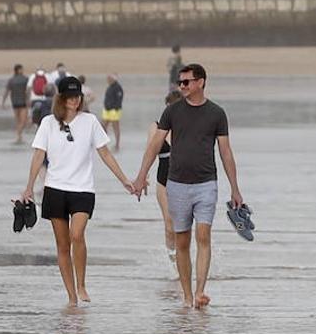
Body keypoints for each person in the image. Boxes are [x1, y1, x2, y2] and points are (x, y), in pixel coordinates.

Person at [132, 63, 245, 310]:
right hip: (177, 185)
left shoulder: (216, 113)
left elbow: (226, 152)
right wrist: (141, 176)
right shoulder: (172, 112)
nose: (181, 86)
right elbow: (154, 146)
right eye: (180, 82)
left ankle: (200, 291)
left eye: (186, 82)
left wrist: (235, 189)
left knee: (203, 236)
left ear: (201, 82)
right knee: (182, 241)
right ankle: (186, 296)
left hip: (207, 183)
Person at [20, 76, 135, 306]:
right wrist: (29, 187)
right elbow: (38, 155)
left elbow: (105, 153)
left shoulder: (90, 121)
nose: (75, 100)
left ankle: (81, 284)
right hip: (55, 189)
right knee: (63, 246)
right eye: (70, 96)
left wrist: (124, 180)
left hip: (83, 189)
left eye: (77, 96)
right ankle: (71, 296)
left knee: (77, 235)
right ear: (61, 98)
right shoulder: (48, 123)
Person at [151, 90, 184, 262]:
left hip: (184, 181)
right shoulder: (157, 126)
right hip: (163, 181)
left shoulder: (189, 128)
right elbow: (151, 150)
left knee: (182, 226)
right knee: (169, 225)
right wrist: (143, 176)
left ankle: (183, 261)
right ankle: (173, 264)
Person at [2, 63, 30, 143]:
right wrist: (3, 101)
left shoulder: (14, 79)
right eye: (21, 69)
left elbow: (7, 91)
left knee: (21, 120)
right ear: (17, 70)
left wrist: (4, 101)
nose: (22, 70)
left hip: (18, 101)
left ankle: (19, 135)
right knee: (21, 120)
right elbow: (7, 91)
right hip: (19, 101)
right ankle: (19, 135)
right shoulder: (24, 79)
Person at [102, 74, 124, 150]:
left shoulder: (118, 87)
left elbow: (119, 99)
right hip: (107, 110)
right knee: (103, 126)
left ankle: (117, 145)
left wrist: (115, 108)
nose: (108, 81)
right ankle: (103, 143)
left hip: (114, 111)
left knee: (115, 127)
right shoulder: (109, 87)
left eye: (109, 79)